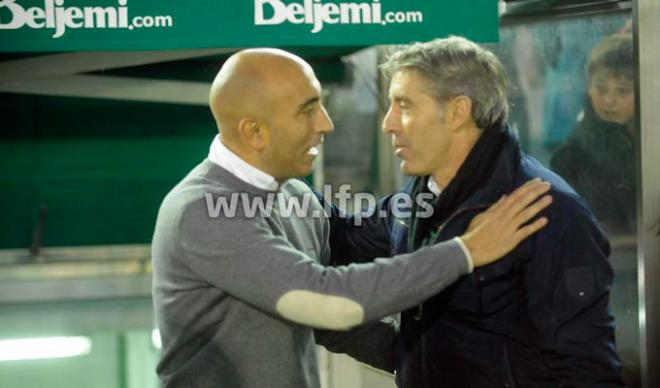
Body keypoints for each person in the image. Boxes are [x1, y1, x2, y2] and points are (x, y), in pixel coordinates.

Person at [151, 48, 552, 388]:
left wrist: (420, 363)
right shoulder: (200, 212)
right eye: (307, 111)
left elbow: (328, 322)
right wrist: (466, 251)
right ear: (255, 133)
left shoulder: (293, 193)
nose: (325, 123)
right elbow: (328, 301)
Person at [328, 37, 624, 387]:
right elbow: (343, 239)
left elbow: (587, 369)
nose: (388, 123)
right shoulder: (421, 195)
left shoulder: (548, 212)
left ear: (457, 112)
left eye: (404, 105)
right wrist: (278, 189)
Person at [551, 33, 635, 233]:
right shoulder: (573, 155)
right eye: (601, 88)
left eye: (622, 91)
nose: (609, 100)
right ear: (589, 88)